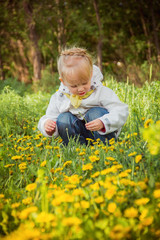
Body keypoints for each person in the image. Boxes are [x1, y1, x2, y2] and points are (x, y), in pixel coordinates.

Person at [38, 47, 129, 146]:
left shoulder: (100, 92)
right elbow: (50, 117)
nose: (81, 89)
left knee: (96, 113)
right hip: (76, 133)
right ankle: (76, 148)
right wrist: (48, 126)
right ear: (63, 82)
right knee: (64, 119)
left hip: (99, 133)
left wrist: (103, 122)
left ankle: (105, 146)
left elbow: (121, 110)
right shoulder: (59, 97)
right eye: (74, 86)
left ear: (90, 75)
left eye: (84, 83)